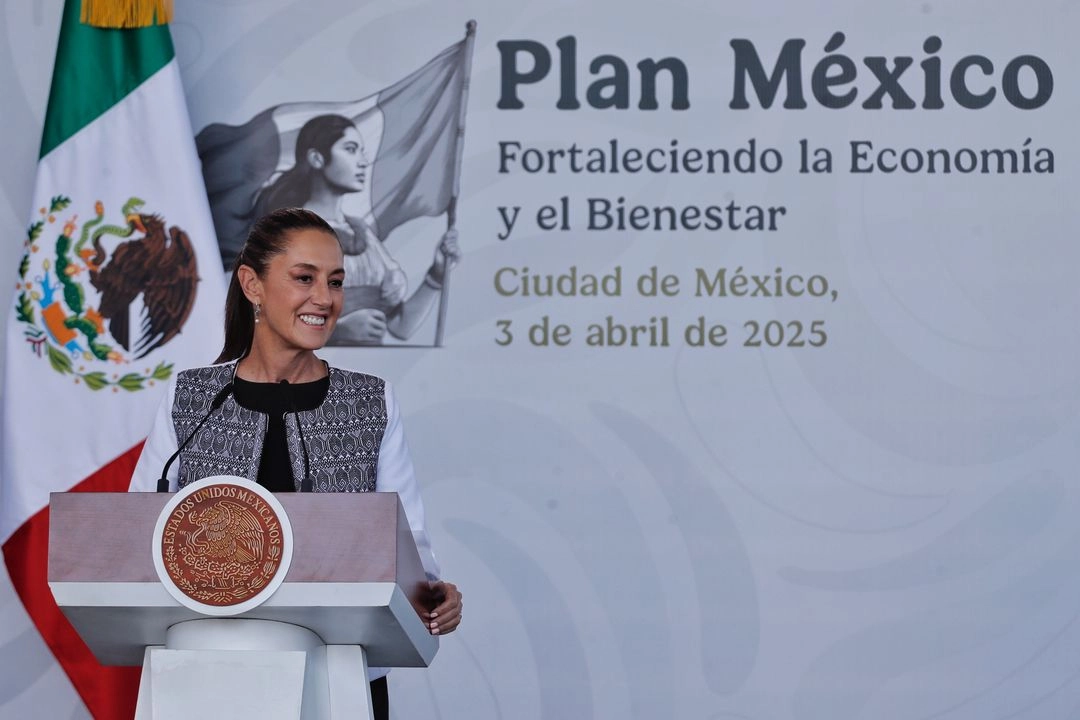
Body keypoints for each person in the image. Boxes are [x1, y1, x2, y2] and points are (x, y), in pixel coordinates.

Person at [129, 207, 462, 718]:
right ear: (252, 285)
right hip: (203, 677)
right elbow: (135, 545)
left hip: (339, 682)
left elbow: (410, 550)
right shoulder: (190, 398)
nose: (325, 299)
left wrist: (434, 595)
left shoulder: (371, 402)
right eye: (304, 278)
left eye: (335, 282)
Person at [251, 114, 461, 345]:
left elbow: (400, 327)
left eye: (362, 151)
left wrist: (437, 274)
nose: (362, 161)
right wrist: (337, 331)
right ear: (317, 158)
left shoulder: (362, 234)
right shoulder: (287, 231)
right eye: (350, 149)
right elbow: (264, 321)